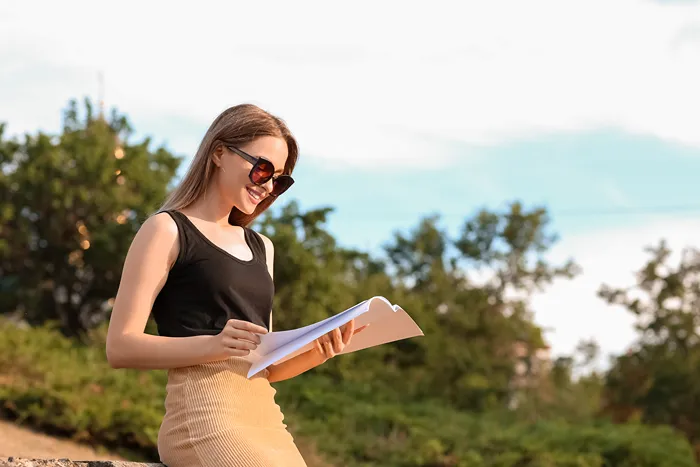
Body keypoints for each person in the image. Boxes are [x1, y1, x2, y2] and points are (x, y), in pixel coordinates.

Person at [105, 104, 363, 466]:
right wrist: (214, 345)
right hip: (202, 417)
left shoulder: (263, 248)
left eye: (279, 180)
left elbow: (265, 366)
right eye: (262, 169)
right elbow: (120, 348)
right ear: (219, 153)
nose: (268, 186)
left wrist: (319, 350)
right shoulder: (166, 230)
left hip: (266, 422)